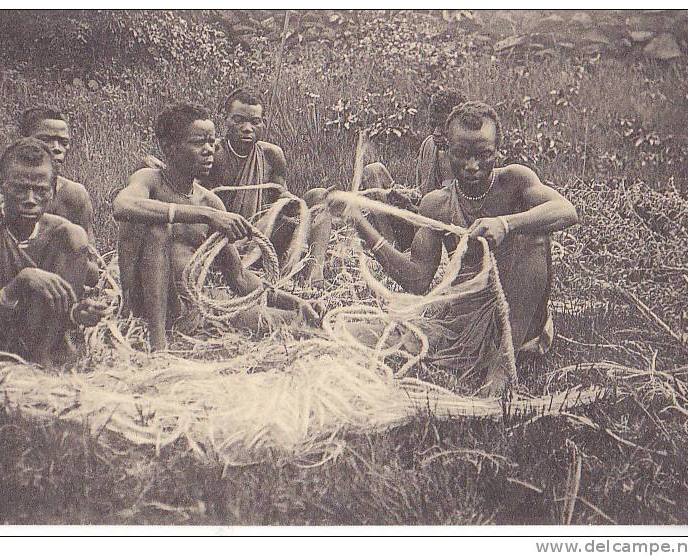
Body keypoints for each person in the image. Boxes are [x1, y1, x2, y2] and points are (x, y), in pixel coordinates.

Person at [332, 101, 578, 394]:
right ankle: (476, 355)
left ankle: (501, 368)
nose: (472, 166)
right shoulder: (436, 204)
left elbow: (566, 211)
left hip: (520, 321)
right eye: (462, 154)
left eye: (483, 155)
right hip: (463, 319)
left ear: (497, 152)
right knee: (359, 335)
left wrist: (507, 224)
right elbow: (418, 279)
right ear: (446, 150)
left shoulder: (515, 182)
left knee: (534, 236)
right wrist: (359, 222)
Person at [114, 102, 319, 350]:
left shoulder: (211, 201)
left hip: (191, 305)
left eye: (211, 142)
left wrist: (294, 302)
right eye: (198, 142)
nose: (209, 150)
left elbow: (239, 278)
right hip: (143, 303)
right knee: (157, 227)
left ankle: (186, 328)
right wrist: (205, 216)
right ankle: (158, 345)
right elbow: (123, 205)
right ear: (169, 148)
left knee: (298, 323)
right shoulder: (150, 181)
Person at [0, 138, 106, 365]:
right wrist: (19, 284)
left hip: (40, 353)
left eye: (40, 190)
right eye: (20, 189)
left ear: (53, 190)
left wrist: (78, 313)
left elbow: (62, 321)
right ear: (1, 186)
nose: (30, 200)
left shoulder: (67, 237)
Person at [202, 88, 332, 286]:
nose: (247, 128)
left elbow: (282, 196)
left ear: (263, 123)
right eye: (238, 120)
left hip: (263, 235)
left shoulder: (271, 155)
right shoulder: (213, 154)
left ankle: (314, 274)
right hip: (225, 239)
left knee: (319, 196)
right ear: (225, 120)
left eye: (255, 122)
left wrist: (289, 201)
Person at [0, 107, 99, 284]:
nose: (56, 148)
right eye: (45, 139)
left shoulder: (74, 195)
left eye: (63, 142)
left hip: (53, 286)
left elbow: (93, 270)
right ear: (24, 141)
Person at [360, 88, 469, 251]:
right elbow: (424, 195)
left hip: (446, 239)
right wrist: (408, 203)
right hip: (419, 224)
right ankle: (390, 249)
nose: (436, 132)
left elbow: (458, 219)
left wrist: (416, 211)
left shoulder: (471, 160)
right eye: (433, 125)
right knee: (373, 171)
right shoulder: (429, 146)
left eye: (443, 126)